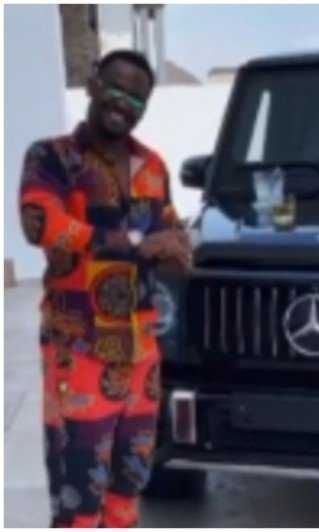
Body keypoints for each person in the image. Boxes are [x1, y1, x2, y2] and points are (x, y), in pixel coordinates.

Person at [18, 49, 190, 528]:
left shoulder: (152, 166)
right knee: (79, 500)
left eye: (136, 98)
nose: (122, 103)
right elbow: (41, 224)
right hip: (81, 349)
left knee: (128, 491)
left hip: (141, 354)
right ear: (93, 84)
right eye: (115, 88)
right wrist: (135, 244)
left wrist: (179, 247)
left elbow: (169, 229)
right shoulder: (51, 157)